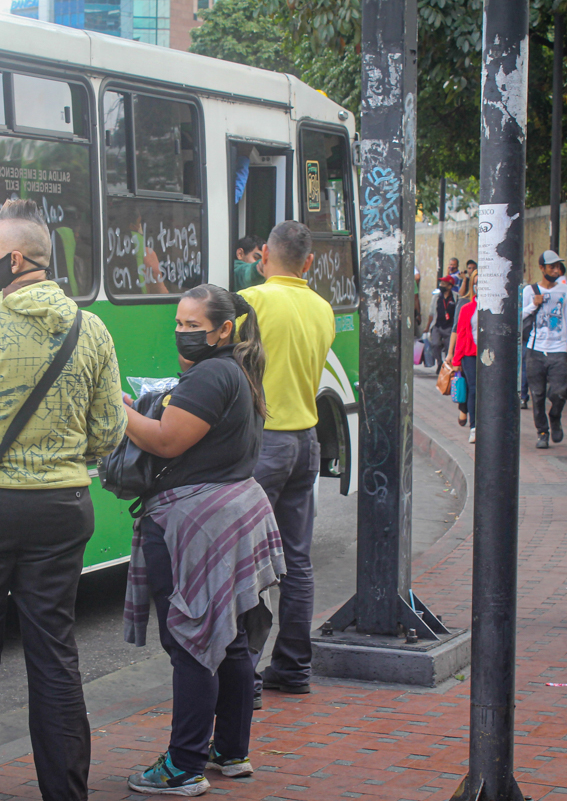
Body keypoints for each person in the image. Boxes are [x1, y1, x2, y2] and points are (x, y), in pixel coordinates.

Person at [0, 198, 127, 801]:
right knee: (55, 659)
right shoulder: (92, 330)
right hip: (62, 511)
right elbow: (110, 433)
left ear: (12, 260)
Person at [121, 284, 284, 795]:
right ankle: (230, 751)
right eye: (178, 323)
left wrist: (119, 410)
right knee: (228, 636)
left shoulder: (211, 374)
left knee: (190, 639)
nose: (183, 333)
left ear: (224, 329)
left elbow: (165, 439)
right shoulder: (234, 370)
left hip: (195, 524)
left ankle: (183, 765)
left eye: (194, 326)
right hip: (230, 515)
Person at [238, 221, 335, 699]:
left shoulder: (251, 302)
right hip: (306, 440)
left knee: (245, 562)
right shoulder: (322, 308)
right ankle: (294, 667)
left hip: (263, 442)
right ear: (309, 262)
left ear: (262, 257)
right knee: (296, 561)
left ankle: (244, 675)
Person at [521, 250, 567, 449]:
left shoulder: (565, 290)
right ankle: (542, 432)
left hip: (558, 349)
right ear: (542, 268)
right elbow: (518, 317)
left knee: (559, 392)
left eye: (557, 266)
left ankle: (555, 416)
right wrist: (532, 306)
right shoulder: (530, 290)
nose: (555, 270)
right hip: (535, 349)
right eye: (551, 266)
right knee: (537, 394)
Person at [449, 272, 478, 443]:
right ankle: (474, 427)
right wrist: (455, 361)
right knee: (473, 388)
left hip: (490, 356)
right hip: (469, 355)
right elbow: (460, 334)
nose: (479, 286)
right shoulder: (466, 308)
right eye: (476, 283)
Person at [428, 276, 457, 368]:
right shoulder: (436, 297)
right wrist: (428, 327)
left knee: (450, 348)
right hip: (437, 325)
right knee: (435, 344)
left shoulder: (455, 297)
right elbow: (431, 312)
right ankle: (439, 362)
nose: (441, 285)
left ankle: (447, 366)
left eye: (444, 284)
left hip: (449, 327)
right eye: (440, 283)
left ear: (450, 286)